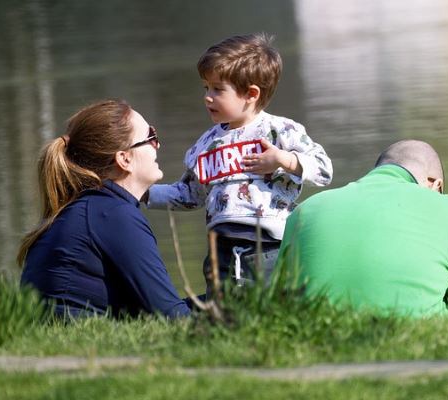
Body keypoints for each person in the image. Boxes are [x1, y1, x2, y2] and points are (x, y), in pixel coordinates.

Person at [146, 33, 333, 294]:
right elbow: (188, 194)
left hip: (269, 244)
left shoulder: (281, 131)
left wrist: (284, 160)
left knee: (273, 305)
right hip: (219, 245)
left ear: (251, 94)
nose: (207, 97)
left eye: (218, 89)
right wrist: (141, 193)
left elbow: (324, 169)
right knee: (222, 310)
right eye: (206, 88)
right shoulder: (207, 143)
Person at [276, 139, 448, 316]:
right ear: (435, 184)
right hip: (417, 336)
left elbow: (281, 300)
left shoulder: (305, 210)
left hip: (319, 334)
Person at [18, 99, 191, 318]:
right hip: (78, 347)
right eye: (151, 137)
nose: (158, 145)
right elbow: (173, 316)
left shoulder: (92, 209)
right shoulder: (114, 215)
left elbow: (154, 312)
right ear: (124, 159)